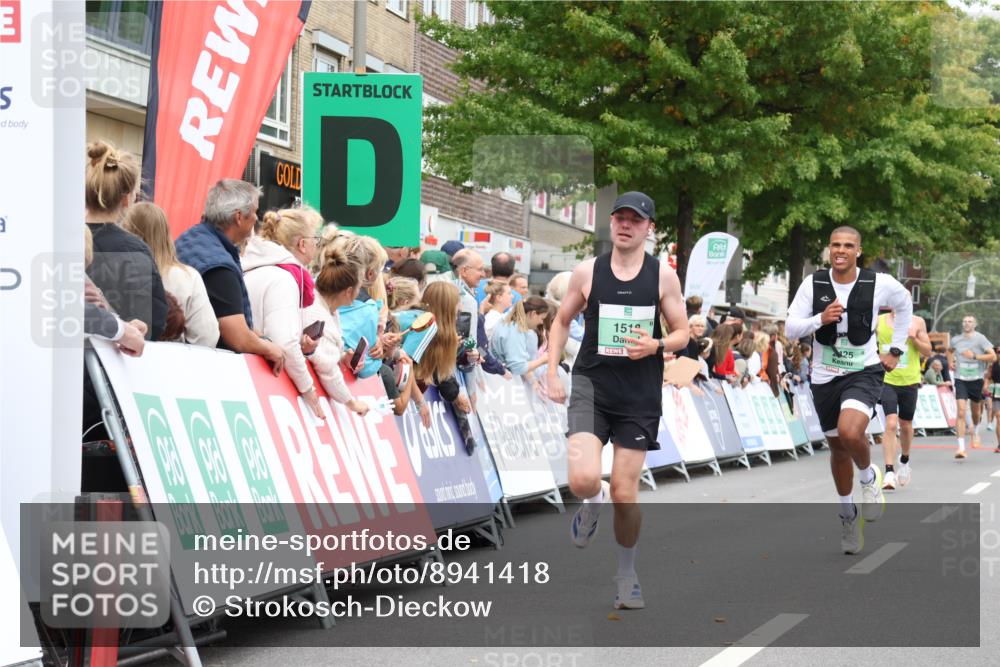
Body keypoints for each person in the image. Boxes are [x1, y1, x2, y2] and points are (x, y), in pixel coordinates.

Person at [545, 191, 688, 610]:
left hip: (638, 395)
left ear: (649, 228)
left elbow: (683, 333)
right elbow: (561, 321)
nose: (626, 225)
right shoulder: (587, 271)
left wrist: (657, 345)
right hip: (591, 387)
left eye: (635, 220)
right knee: (583, 480)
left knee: (625, 493)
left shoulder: (663, 277)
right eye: (620, 217)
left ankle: (627, 575)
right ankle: (592, 502)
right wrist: (552, 371)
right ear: (611, 223)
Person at [785, 226, 912, 555]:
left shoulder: (878, 283)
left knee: (850, 431)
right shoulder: (814, 284)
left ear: (858, 250)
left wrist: (896, 350)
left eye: (847, 245)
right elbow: (790, 327)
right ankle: (848, 515)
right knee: (839, 450)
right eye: (835, 245)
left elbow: (905, 305)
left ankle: (868, 479)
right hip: (824, 376)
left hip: (863, 371)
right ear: (829, 249)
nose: (840, 250)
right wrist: (819, 319)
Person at [175, 179, 285, 374]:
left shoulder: (188, 239)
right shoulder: (219, 266)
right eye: (255, 212)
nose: (257, 218)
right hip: (205, 371)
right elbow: (237, 337)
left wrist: (259, 338)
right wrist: (270, 349)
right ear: (239, 217)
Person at [242, 207, 326, 418]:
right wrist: (308, 388)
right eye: (315, 239)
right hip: (262, 381)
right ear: (302, 244)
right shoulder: (283, 279)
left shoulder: (256, 267)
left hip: (250, 375)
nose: (317, 245)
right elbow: (284, 342)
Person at [84, 141, 168, 340]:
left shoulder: (60, 240)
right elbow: (153, 322)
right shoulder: (135, 250)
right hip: (118, 354)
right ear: (126, 198)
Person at [122, 202, 220, 347]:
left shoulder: (113, 273)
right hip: (173, 357)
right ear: (166, 233)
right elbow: (206, 335)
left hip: (122, 356)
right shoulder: (188, 277)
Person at [303, 247, 373, 418]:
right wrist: (352, 403)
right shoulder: (319, 315)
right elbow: (327, 370)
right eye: (358, 288)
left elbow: (323, 354)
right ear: (349, 291)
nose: (359, 292)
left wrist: (342, 358)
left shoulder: (329, 309)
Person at [875, 307, 931, 489]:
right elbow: (867, 344)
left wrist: (914, 338)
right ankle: (889, 472)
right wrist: (877, 356)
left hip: (909, 381)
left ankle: (904, 460)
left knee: (906, 424)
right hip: (887, 380)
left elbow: (928, 351)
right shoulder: (879, 320)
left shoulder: (917, 322)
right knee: (891, 423)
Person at [949, 314, 996, 457]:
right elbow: (949, 350)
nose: (967, 323)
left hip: (976, 379)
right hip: (960, 379)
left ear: (975, 324)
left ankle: (975, 430)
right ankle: (961, 448)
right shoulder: (956, 339)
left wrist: (975, 356)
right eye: (964, 321)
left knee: (976, 412)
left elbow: (993, 356)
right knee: (961, 411)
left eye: (970, 321)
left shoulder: (981, 338)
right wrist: (950, 362)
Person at [489, 297, 550, 388]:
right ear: (533, 314)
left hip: (497, 376)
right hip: (501, 381)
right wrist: (542, 360)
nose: (541, 322)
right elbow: (519, 367)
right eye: (542, 318)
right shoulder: (515, 330)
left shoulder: (510, 320)